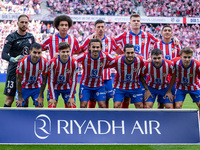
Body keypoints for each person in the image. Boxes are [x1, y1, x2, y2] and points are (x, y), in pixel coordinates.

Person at [114, 14, 179, 108]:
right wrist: (121, 53)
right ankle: (125, 119)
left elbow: (160, 41)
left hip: (142, 70)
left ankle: (144, 120)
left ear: (140, 23)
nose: (136, 22)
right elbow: (111, 42)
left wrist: (172, 38)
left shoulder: (147, 35)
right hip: (129, 69)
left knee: (144, 99)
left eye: (138, 21)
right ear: (130, 23)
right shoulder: (124, 35)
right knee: (126, 98)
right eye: (134, 21)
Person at [80, 19, 123, 108]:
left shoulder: (110, 40)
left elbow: (120, 52)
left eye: (102, 27)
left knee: (106, 100)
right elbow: (80, 51)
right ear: (94, 28)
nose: (100, 29)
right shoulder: (89, 40)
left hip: (106, 76)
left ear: (105, 28)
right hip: (92, 77)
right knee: (92, 100)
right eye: (98, 27)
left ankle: (104, 118)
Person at [2, 14, 35, 107]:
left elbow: (35, 51)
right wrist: (12, 59)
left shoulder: (31, 37)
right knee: (9, 99)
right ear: (17, 23)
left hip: (26, 72)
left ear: (28, 24)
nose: (24, 24)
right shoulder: (11, 37)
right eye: (22, 22)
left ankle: (23, 121)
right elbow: (3, 54)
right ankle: (5, 120)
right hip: (13, 72)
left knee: (25, 99)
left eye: (26, 22)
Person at [108, 43, 152, 108]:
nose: (130, 55)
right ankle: (119, 118)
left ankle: (138, 118)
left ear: (135, 53)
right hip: (120, 87)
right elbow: (105, 65)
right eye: (128, 53)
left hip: (134, 86)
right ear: (124, 53)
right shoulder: (117, 60)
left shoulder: (140, 60)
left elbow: (148, 64)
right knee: (116, 105)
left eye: (132, 53)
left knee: (140, 106)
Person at [76, 38, 114, 108]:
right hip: (85, 85)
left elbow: (117, 60)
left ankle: (101, 119)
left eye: (97, 47)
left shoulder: (105, 56)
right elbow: (72, 61)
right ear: (89, 48)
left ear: (101, 48)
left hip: (99, 85)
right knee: (83, 105)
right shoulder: (84, 56)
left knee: (103, 105)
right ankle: (84, 119)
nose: (95, 49)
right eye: (93, 47)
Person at [154, 25, 182, 108]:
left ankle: (173, 120)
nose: (167, 32)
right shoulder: (157, 44)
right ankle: (160, 120)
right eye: (165, 30)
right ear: (161, 33)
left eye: (169, 30)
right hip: (161, 77)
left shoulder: (177, 44)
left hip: (173, 77)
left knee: (172, 102)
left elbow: (181, 58)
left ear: (172, 33)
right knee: (160, 103)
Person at [16, 43, 48, 107]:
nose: (37, 55)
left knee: (39, 105)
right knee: (20, 105)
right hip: (24, 87)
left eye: (39, 53)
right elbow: (18, 80)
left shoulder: (45, 62)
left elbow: (44, 80)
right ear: (30, 52)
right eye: (35, 52)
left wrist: (40, 96)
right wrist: (19, 96)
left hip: (36, 87)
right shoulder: (23, 62)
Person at [48, 42, 78, 108]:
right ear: (59, 52)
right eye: (63, 52)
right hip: (55, 87)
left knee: (72, 106)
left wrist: (71, 97)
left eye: (67, 52)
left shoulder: (74, 62)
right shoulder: (53, 62)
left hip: (67, 86)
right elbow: (50, 80)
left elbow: (74, 81)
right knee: (51, 106)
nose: (65, 54)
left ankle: (68, 118)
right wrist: (52, 97)